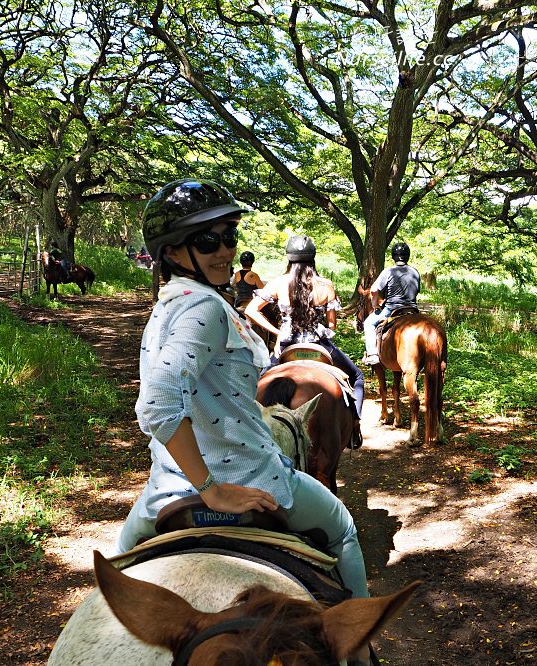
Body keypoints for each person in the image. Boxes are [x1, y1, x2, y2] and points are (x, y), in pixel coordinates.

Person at [117, 179, 368, 603]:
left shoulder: (169, 302)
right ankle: (360, 649)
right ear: (173, 251)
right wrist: (213, 489)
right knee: (343, 528)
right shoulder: (205, 307)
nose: (225, 250)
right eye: (208, 240)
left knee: (117, 568)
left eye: (229, 236)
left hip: (167, 486)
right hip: (249, 475)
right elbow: (158, 405)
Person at [244, 235, 366, 423]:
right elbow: (332, 324)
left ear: (289, 258)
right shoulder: (326, 285)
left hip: (286, 344)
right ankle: (355, 422)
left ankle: (249, 422)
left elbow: (252, 310)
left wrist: (278, 333)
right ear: (313, 258)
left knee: (256, 384)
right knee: (357, 376)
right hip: (319, 344)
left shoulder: (278, 282)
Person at [362, 242, 421, 365]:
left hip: (392, 309)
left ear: (394, 256)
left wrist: (374, 304)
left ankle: (372, 354)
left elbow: (373, 290)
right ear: (407, 256)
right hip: (412, 309)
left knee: (368, 323)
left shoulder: (389, 271)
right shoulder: (415, 272)